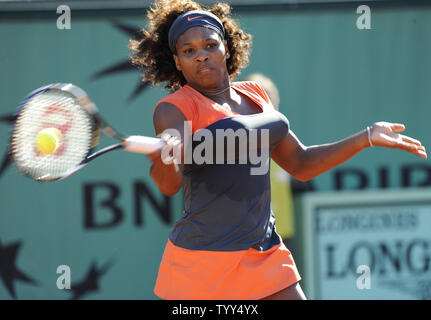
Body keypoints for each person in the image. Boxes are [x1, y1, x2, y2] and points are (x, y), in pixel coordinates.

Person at [129, 0, 427, 300]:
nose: (201, 56)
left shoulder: (256, 96)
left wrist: (366, 137)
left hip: (264, 253)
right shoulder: (173, 109)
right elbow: (169, 185)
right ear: (178, 62)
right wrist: (163, 159)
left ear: (226, 48)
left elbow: (301, 163)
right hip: (201, 262)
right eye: (188, 51)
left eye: (209, 45)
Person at [244, 73, 296, 251]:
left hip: (283, 234)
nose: (265, 103)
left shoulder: (284, 140)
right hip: (250, 238)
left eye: (269, 96)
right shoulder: (240, 143)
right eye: (258, 98)